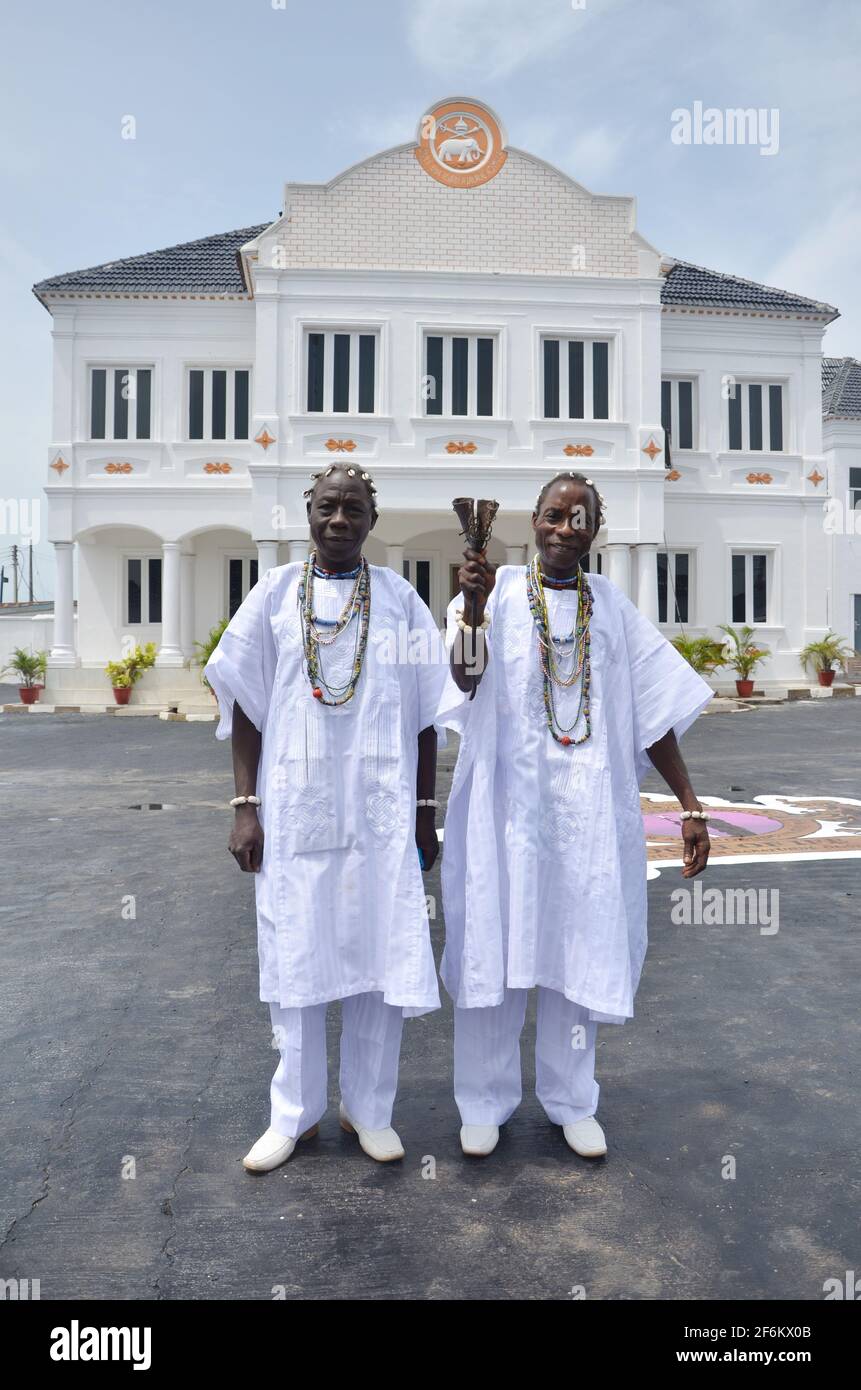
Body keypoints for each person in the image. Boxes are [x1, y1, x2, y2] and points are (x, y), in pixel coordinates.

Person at [439, 471, 713, 1160]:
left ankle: (570, 1101)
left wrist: (689, 805)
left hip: (587, 814)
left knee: (576, 947)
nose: (566, 528)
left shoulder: (611, 608)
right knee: (494, 952)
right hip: (502, 808)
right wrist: (470, 612)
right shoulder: (491, 593)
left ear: (596, 530)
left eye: (580, 517)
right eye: (554, 514)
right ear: (532, 521)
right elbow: (462, 679)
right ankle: (483, 1101)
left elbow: (652, 715)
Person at [205, 465, 446, 1172]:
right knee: (297, 959)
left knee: (379, 961)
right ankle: (294, 1115)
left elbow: (427, 716)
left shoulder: (400, 601)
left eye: (354, 509)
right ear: (307, 512)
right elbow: (244, 704)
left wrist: (424, 814)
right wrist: (244, 808)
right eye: (327, 507)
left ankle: (369, 1112)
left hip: (379, 817)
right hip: (294, 813)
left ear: (374, 518)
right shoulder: (274, 594)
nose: (339, 520)